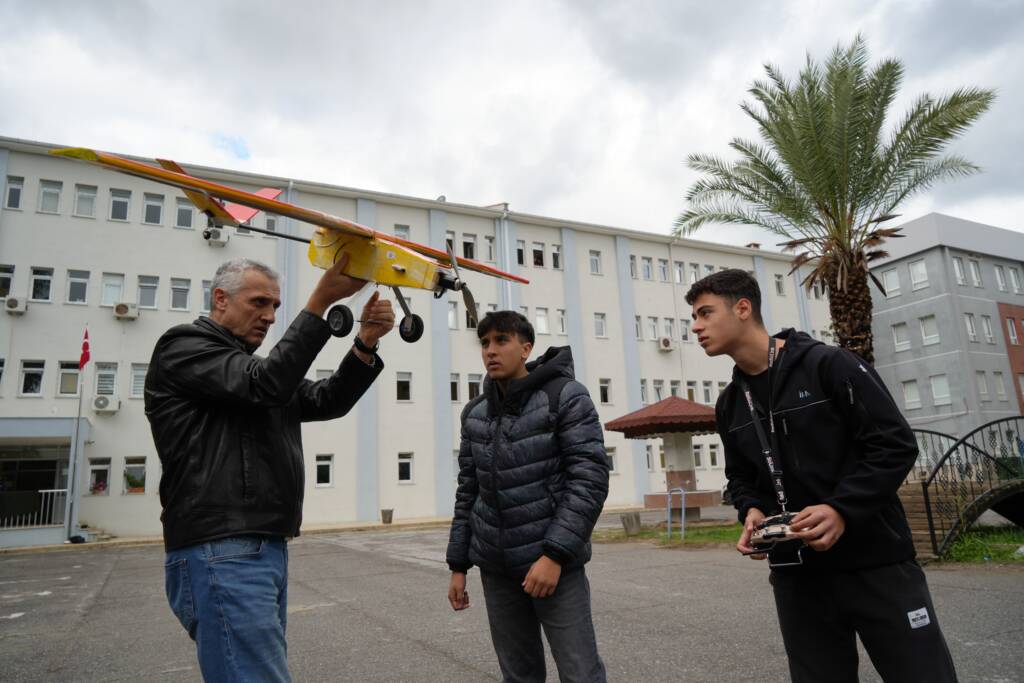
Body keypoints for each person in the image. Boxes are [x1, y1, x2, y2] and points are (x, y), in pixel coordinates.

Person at [688, 269, 957, 683]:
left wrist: (841, 509)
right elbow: (739, 476)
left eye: (705, 313)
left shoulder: (828, 365)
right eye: (694, 317)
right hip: (797, 576)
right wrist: (752, 508)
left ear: (743, 308)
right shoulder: (729, 404)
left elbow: (894, 444)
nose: (696, 326)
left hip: (876, 563)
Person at [145, 255, 394, 682]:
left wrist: (365, 342)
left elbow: (325, 399)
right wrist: (320, 301)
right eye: (259, 302)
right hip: (222, 547)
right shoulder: (184, 347)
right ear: (220, 299)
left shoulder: (251, 369)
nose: (269, 316)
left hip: (259, 547)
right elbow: (266, 383)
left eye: (276, 306)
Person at [446, 311, 609, 683]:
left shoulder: (564, 396)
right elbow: (469, 491)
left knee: (580, 673)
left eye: (501, 340)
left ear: (526, 347)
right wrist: (458, 565)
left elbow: (590, 479)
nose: (490, 350)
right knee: (519, 677)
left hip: (553, 567)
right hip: (497, 570)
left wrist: (554, 555)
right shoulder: (475, 413)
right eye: (484, 342)